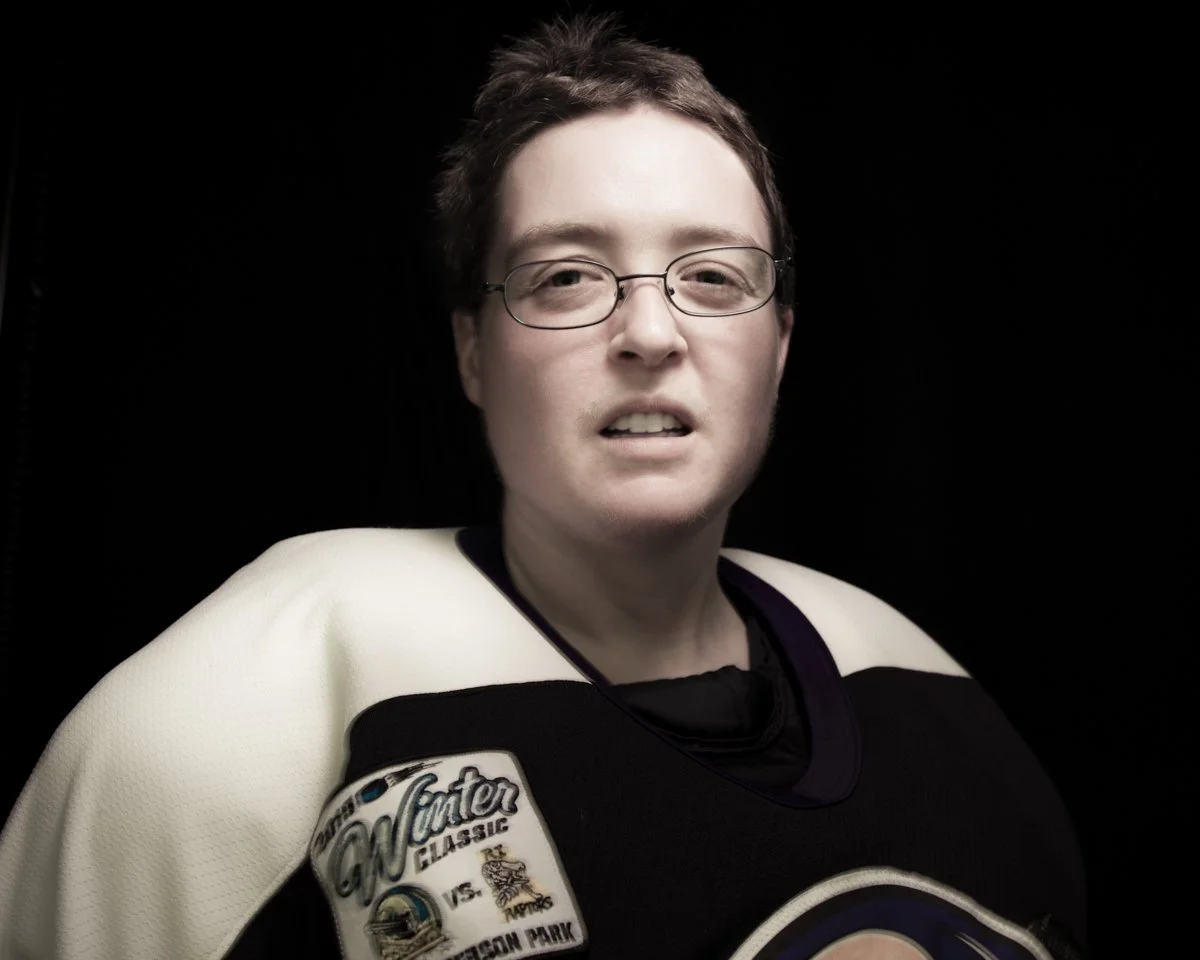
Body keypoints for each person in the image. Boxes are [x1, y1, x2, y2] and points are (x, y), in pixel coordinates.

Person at [0, 14, 1087, 960]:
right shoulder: (249, 710)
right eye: (567, 276)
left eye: (713, 277)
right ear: (472, 350)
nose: (651, 333)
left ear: (782, 343)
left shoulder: (927, 701)